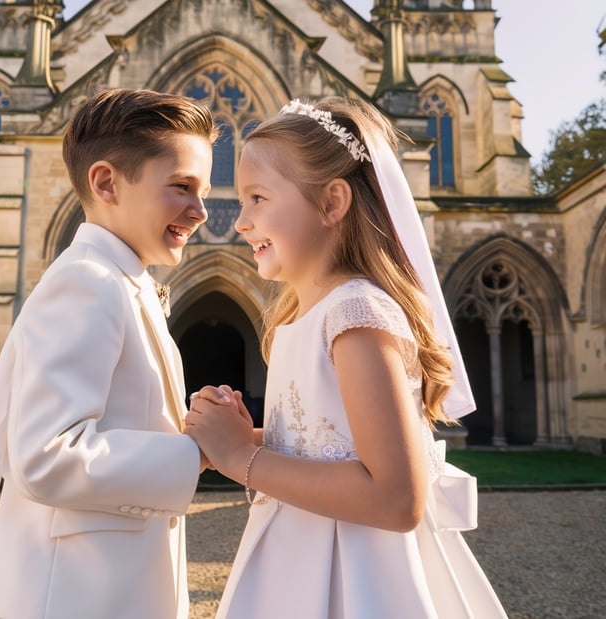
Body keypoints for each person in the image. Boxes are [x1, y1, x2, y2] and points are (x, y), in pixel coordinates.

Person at [184, 97, 508, 618]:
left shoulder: (357, 313)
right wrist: (242, 438)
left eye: (258, 198)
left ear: (333, 203)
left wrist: (240, 459)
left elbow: (397, 498)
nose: (240, 221)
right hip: (297, 557)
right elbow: (331, 440)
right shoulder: (307, 315)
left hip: (355, 575)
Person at [0, 88, 216, 619]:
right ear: (106, 182)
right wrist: (198, 452)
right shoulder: (87, 281)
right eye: (181, 186)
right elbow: (46, 455)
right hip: (72, 595)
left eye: (203, 189)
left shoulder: (120, 280)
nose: (201, 210)